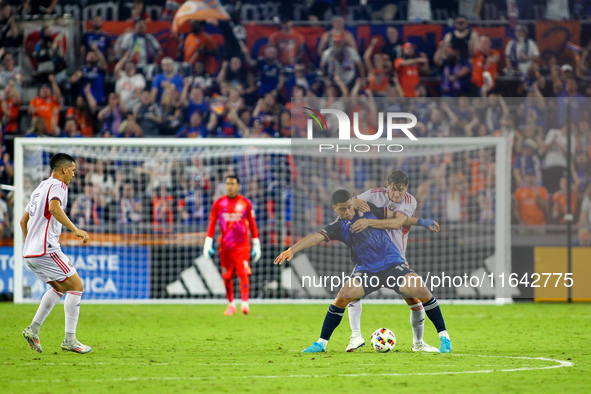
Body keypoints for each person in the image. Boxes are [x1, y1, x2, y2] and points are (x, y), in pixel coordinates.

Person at [274, 189, 451, 353]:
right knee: (343, 296)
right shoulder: (337, 227)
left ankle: (444, 338)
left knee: (421, 290)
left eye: (350, 207)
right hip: (367, 271)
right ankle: (321, 343)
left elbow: (398, 218)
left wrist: (421, 222)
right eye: (343, 209)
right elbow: (315, 238)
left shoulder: (369, 209)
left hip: (392, 264)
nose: (348, 212)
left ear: (354, 202)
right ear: (335, 209)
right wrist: (292, 250)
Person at [346, 170, 448, 353]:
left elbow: (397, 222)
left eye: (401, 190)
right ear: (387, 186)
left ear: (406, 188)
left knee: (415, 301)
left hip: (395, 260)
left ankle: (418, 343)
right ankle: (355, 337)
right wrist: (354, 202)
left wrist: (368, 223)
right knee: (352, 295)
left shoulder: (409, 201)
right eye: (394, 190)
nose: (397, 194)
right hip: (371, 258)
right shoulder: (373, 194)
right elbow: (349, 203)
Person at [20, 153, 91, 354]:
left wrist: (29, 243)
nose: (74, 175)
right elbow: (54, 208)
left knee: (59, 289)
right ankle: (70, 340)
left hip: (30, 253)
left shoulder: (40, 187)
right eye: (73, 170)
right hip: (46, 249)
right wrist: (75, 229)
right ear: (64, 169)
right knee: (77, 286)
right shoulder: (59, 186)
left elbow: (23, 221)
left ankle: (33, 329)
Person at [203, 175, 261, 315]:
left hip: (242, 246)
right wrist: (208, 243)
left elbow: (252, 225)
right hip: (225, 247)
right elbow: (212, 224)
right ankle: (231, 304)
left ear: (238, 185)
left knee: (243, 274)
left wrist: (256, 244)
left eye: (232, 183)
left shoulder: (245, 203)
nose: (230, 186)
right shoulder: (218, 203)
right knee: (227, 276)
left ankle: (245, 304)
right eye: (227, 183)